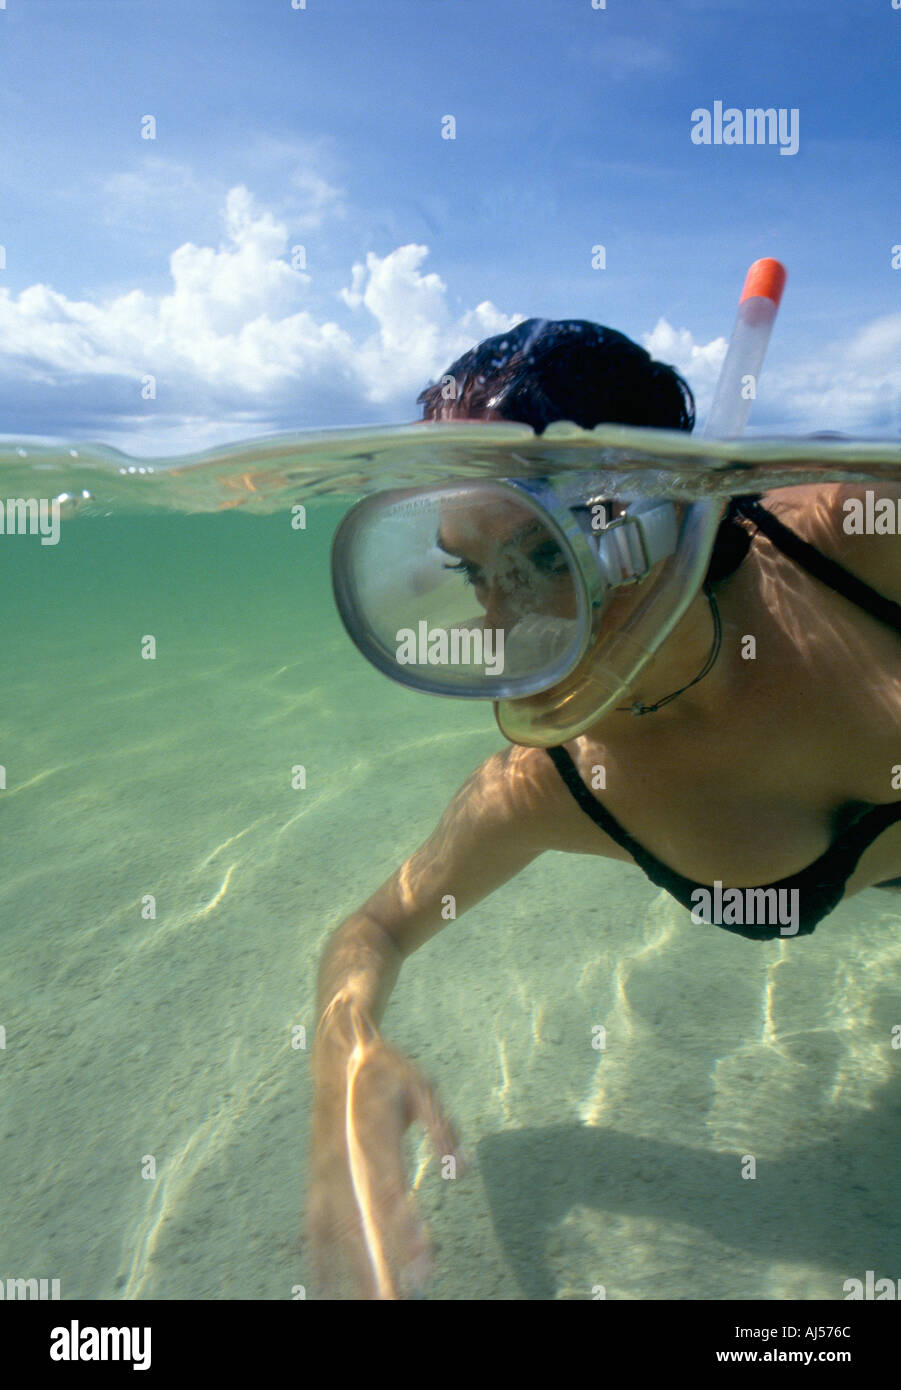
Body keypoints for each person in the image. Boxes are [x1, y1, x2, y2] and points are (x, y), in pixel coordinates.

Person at [308, 319, 901, 1299]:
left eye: (541, 558)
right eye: (471, 572)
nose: (506, 627)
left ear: (653, 526)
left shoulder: (842, 536)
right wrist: (347, 1060)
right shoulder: (559, 783)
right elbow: (373, 928)